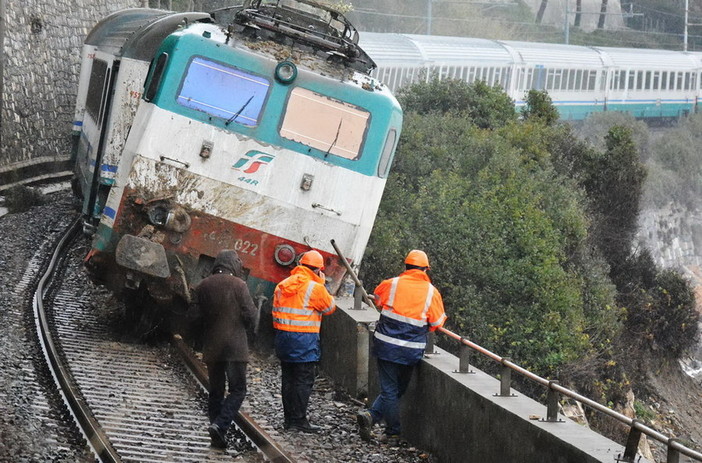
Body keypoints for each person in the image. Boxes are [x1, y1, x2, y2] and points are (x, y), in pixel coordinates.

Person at [357, 250, 447, 446]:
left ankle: (372, 416)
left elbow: (379, 301)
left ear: (406, 267)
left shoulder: (392, 283)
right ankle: (392, 432)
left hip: (385, 346)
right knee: (396, 389)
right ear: (425, 269)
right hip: (410, 351)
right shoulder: (432, 292)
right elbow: (437, 323)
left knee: (391, 389)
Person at [194, 249, 258, 449]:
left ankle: (216, 430)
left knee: (216, 391)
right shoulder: (240, 285)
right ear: (233, 265)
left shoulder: (202, 285)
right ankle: (220, 426)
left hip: (213, 348)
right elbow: (250, 315)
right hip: (235, 349)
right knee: (238, 390)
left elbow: (193, 317)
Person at [272, 249, 337, 433]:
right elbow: (330, 307)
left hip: (283, 338)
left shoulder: (282, 284)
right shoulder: (315, 288)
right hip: (304, 340)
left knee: (288, 379)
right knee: (303, 381)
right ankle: (298, 420)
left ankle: (288, 420)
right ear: (318, 270)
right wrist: (322, 284)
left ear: (300, 265)